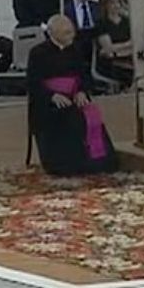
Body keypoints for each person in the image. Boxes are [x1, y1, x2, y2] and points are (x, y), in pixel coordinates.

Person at [27, 15, 117, 175]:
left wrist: (82, 91)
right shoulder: (38, 53)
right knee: (69, 117)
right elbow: (33, 82)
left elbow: (84, 75)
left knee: (90, 116)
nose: (72, 36)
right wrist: (52, 96)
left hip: (74, 95)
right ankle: (66, 165)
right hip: (49, 101)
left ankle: (97, 163)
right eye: (67, 33)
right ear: (53, 33)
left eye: (72, 32)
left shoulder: (75, 50)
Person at [92, 0, 134, 90]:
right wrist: (127, 44)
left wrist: (120, 49)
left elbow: (135, 44)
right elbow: (108, 48)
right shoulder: (101, 23)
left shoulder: (127, 22)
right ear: (106, 5)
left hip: (127, 59)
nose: (116, 5)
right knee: (130, 73)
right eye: (112, 2)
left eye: (118, 2)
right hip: (109, 62)